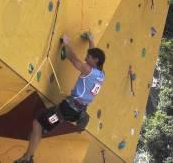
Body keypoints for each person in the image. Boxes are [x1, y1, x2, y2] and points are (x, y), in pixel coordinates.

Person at [14, 32, 105, 163]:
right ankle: (29, 154)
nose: (86, 58)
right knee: (41, 124)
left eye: (88, 57)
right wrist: (91, 40)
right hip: (76, 111)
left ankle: (27, 158)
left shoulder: (88, 70)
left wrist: (66, 44)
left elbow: (74, 60)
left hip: (66, 110)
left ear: (95, 60)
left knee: (38, 123)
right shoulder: (101, 74)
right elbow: (93, 54)